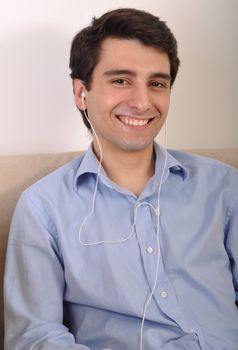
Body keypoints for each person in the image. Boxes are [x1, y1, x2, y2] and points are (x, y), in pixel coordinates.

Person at [3, 7, 238, 350]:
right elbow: (35, 337)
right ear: (82, 93)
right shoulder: (43, 208)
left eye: (157, 83)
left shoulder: (224, 187)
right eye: (121, 80)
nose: (143, 102)